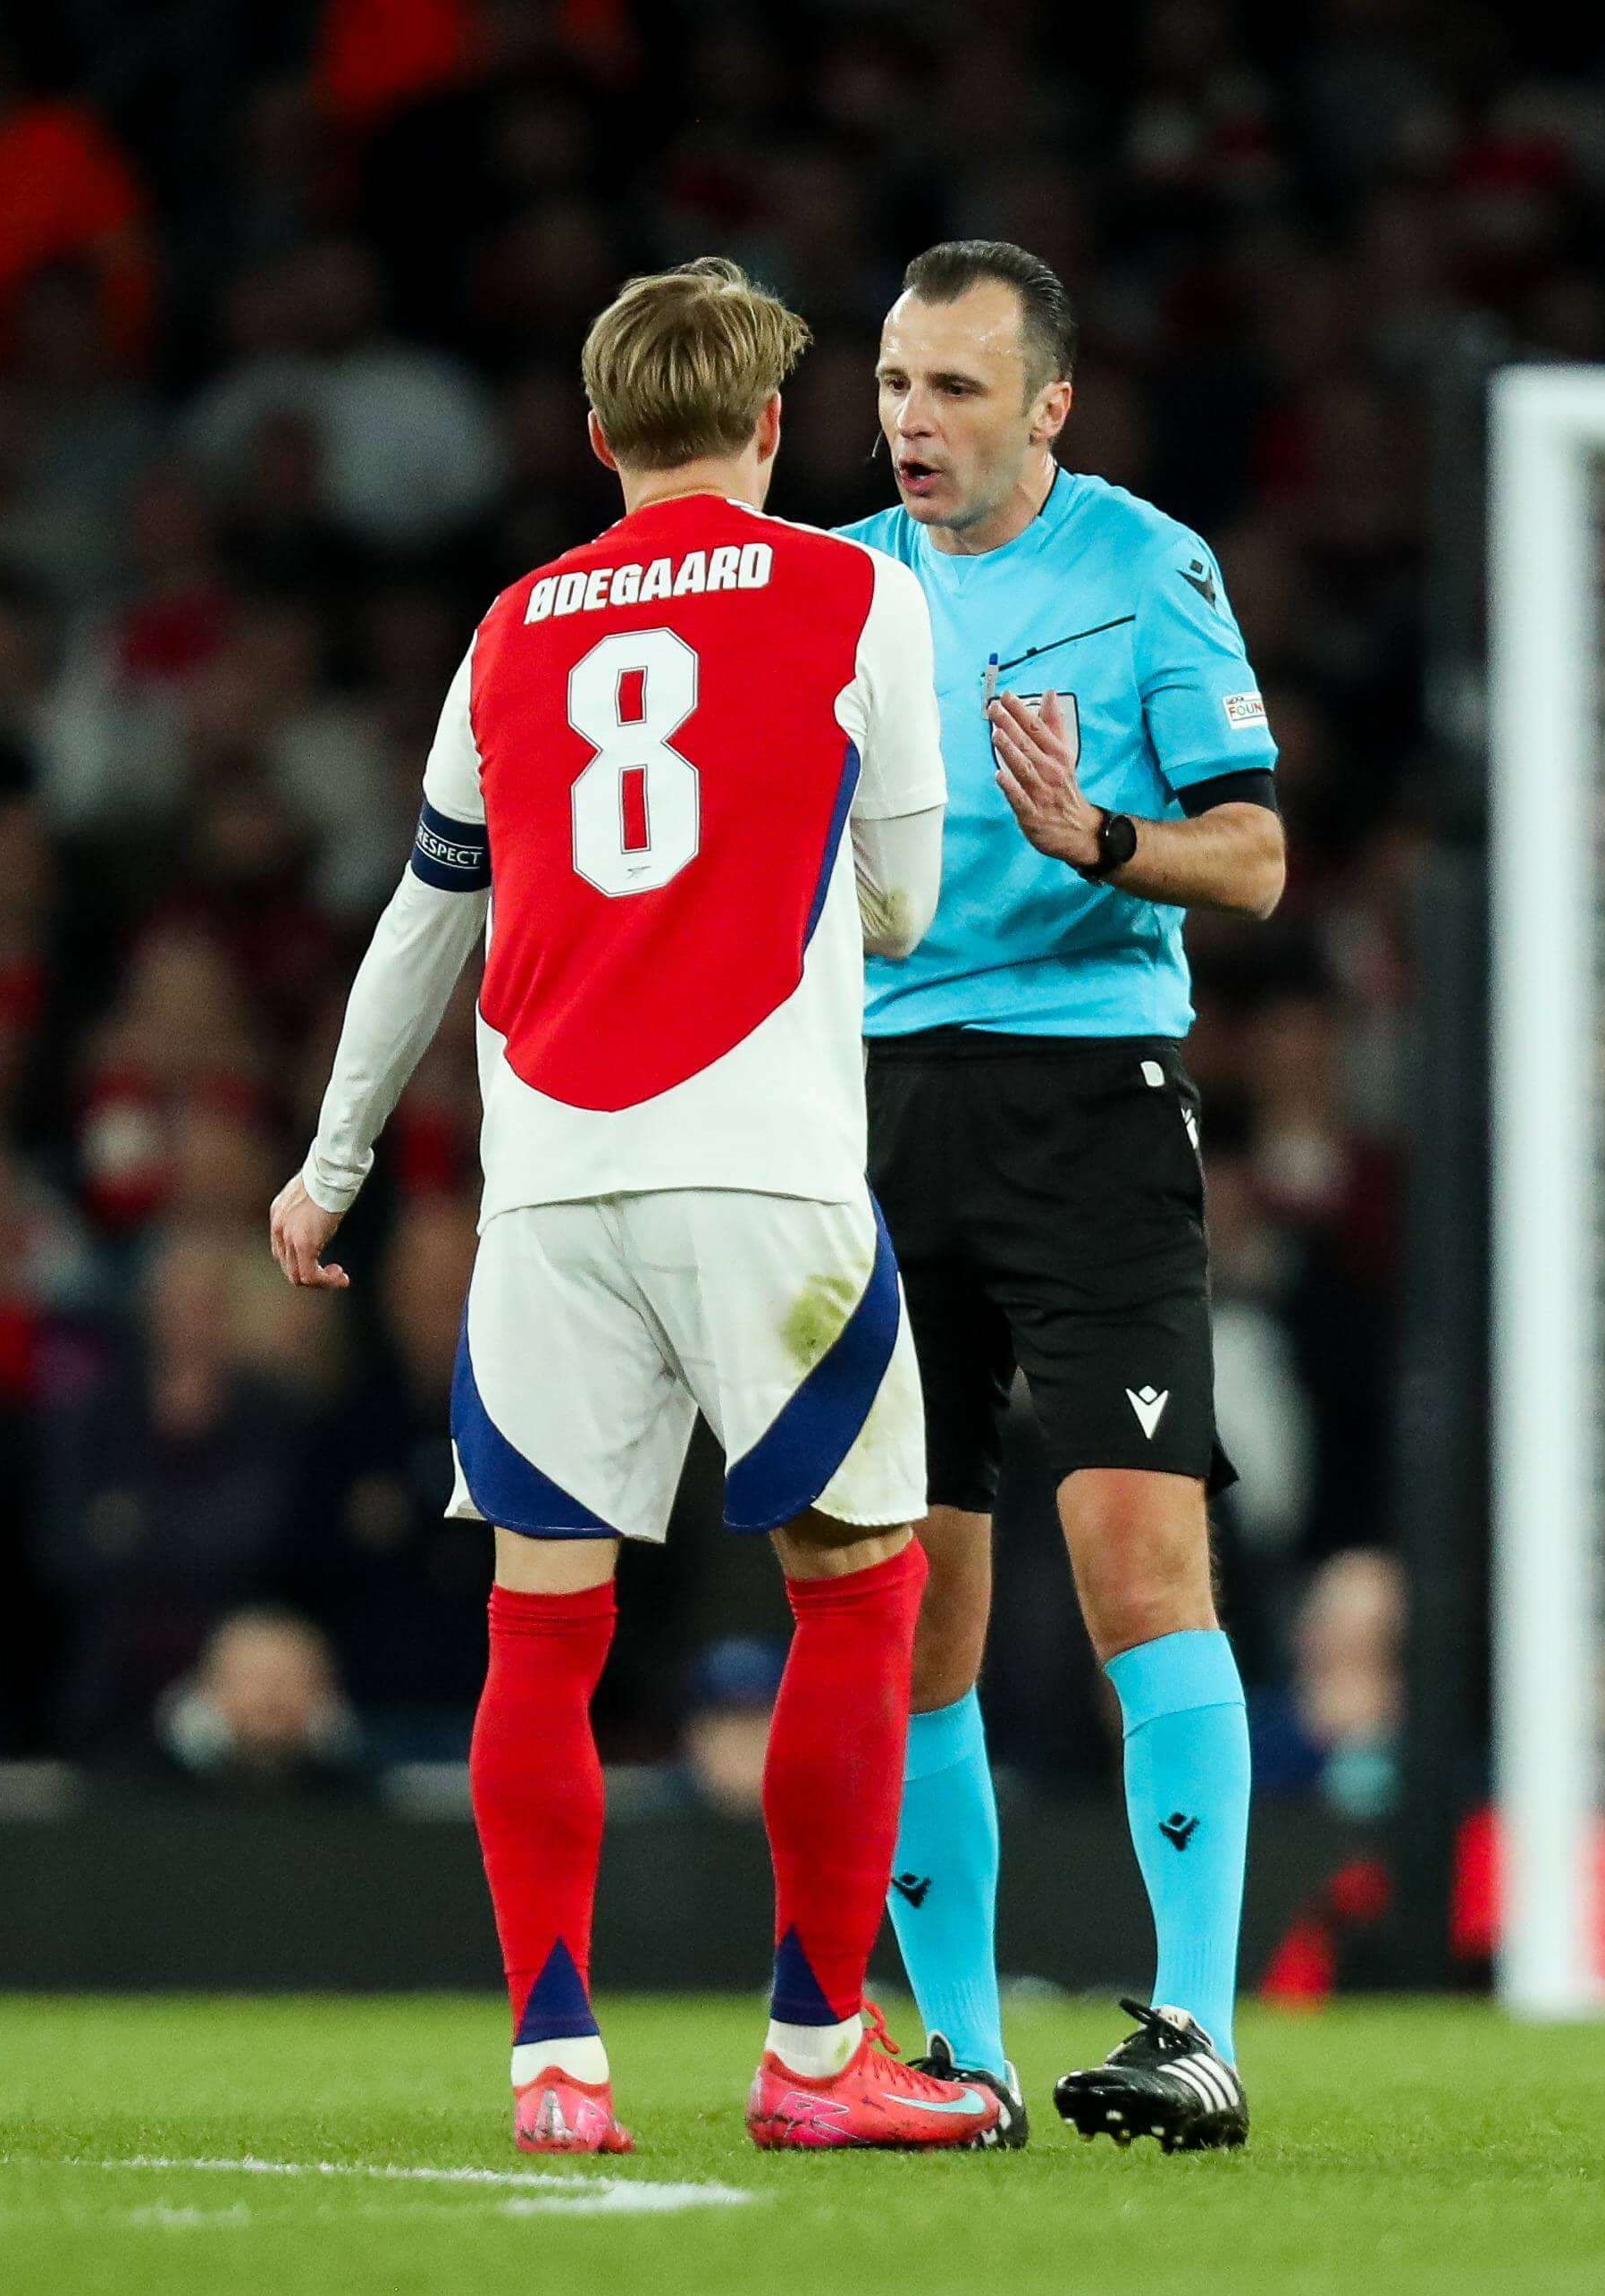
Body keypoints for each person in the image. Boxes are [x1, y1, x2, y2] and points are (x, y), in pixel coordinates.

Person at [266, 258, 996, 2155]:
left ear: (599, 439)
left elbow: (427, 915)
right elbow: (906, 907)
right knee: (858, 1588)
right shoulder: (860, 591)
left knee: (542, 1627)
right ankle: (818, 2055)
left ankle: (556, 2062)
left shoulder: (511, 628)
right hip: (761, 1170)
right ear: (771, 426)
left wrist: (333, 1160)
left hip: (551, 1186)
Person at [842, 239, 1285, 2153]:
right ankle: (960, 2056)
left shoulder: (1146, 566)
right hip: (875, 1106)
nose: (913, 423)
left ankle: (1195, 2022)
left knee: (1133, 1556)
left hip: (1090, 1096)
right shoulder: (835, 583)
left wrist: (1096, 835)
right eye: (891, 384)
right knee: (917, 1602)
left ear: (1049, 404)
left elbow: (1257, 859)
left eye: (953, 387)